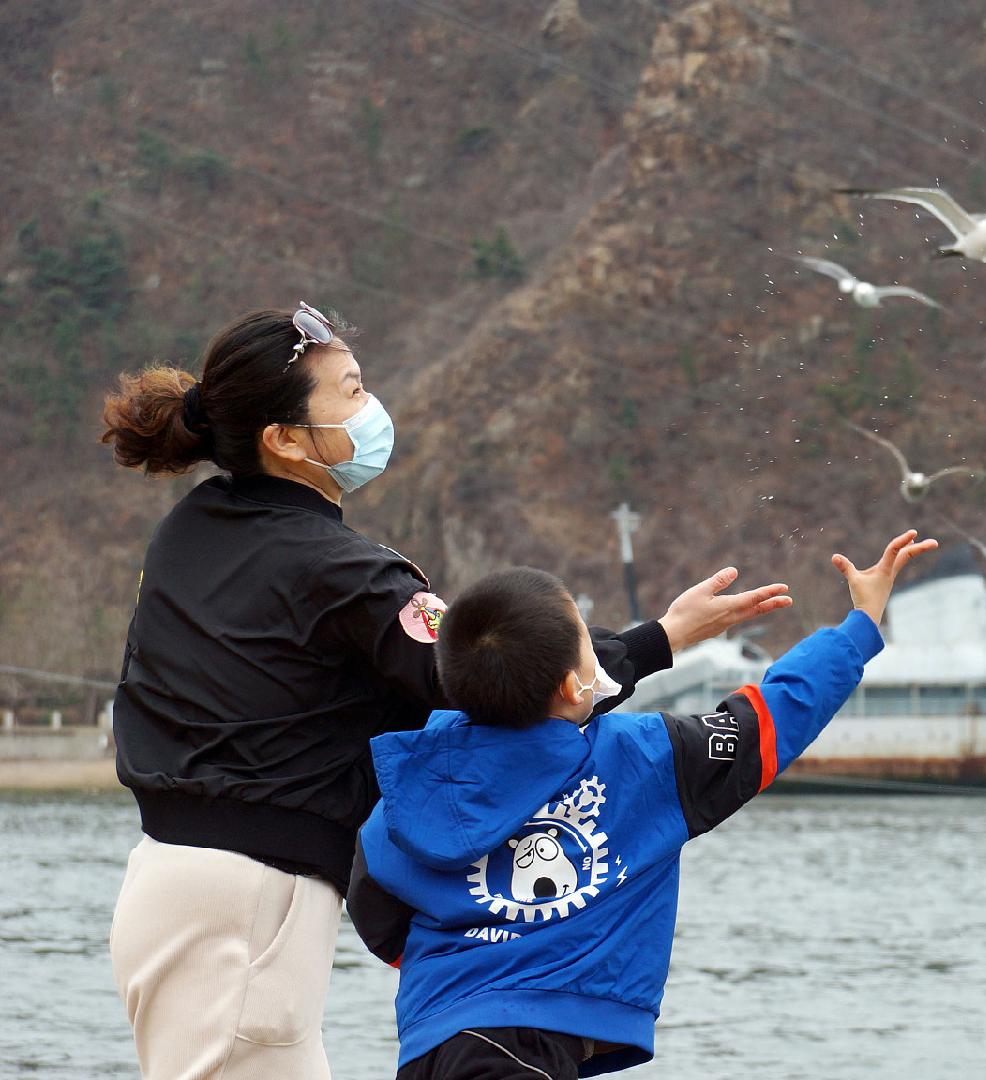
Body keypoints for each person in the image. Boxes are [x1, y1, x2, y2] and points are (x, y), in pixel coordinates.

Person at [98, 302, 792, 1079]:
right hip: (252, 900)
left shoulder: (190, 530)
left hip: (163, 881)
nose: (372, 410)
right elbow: (505, 682)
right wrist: (655, 641)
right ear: (285, 439)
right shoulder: (347, 575)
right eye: (352, 393)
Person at [346, 529, 936, 1078]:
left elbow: (371, 900)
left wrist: (464, 963)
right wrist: (860, 623)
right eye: (586, 642)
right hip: (529, 1049)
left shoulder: (413, 782)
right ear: (577, 686)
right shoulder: (647, 760)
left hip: (429, 1043)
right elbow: (774, 714)